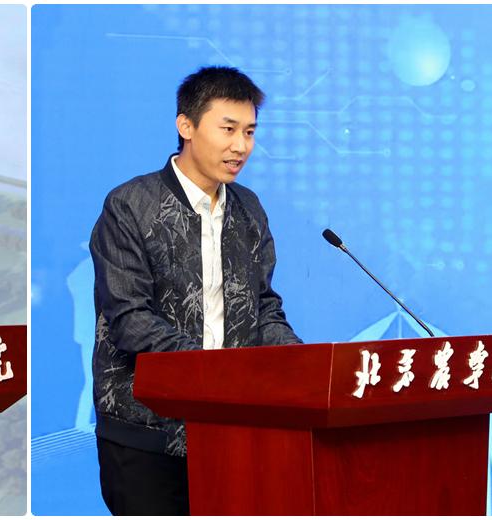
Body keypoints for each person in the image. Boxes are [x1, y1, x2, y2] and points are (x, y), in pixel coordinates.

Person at [89, 65, 302, 515]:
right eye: (228, 129)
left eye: (249, 132)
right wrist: (218, 372)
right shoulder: (130, 205)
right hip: (147, 433)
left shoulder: (249, 209)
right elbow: (130, 319)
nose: (241, 146)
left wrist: (302, 364)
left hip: (233, 429)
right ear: (186, 126)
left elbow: (263, 308)